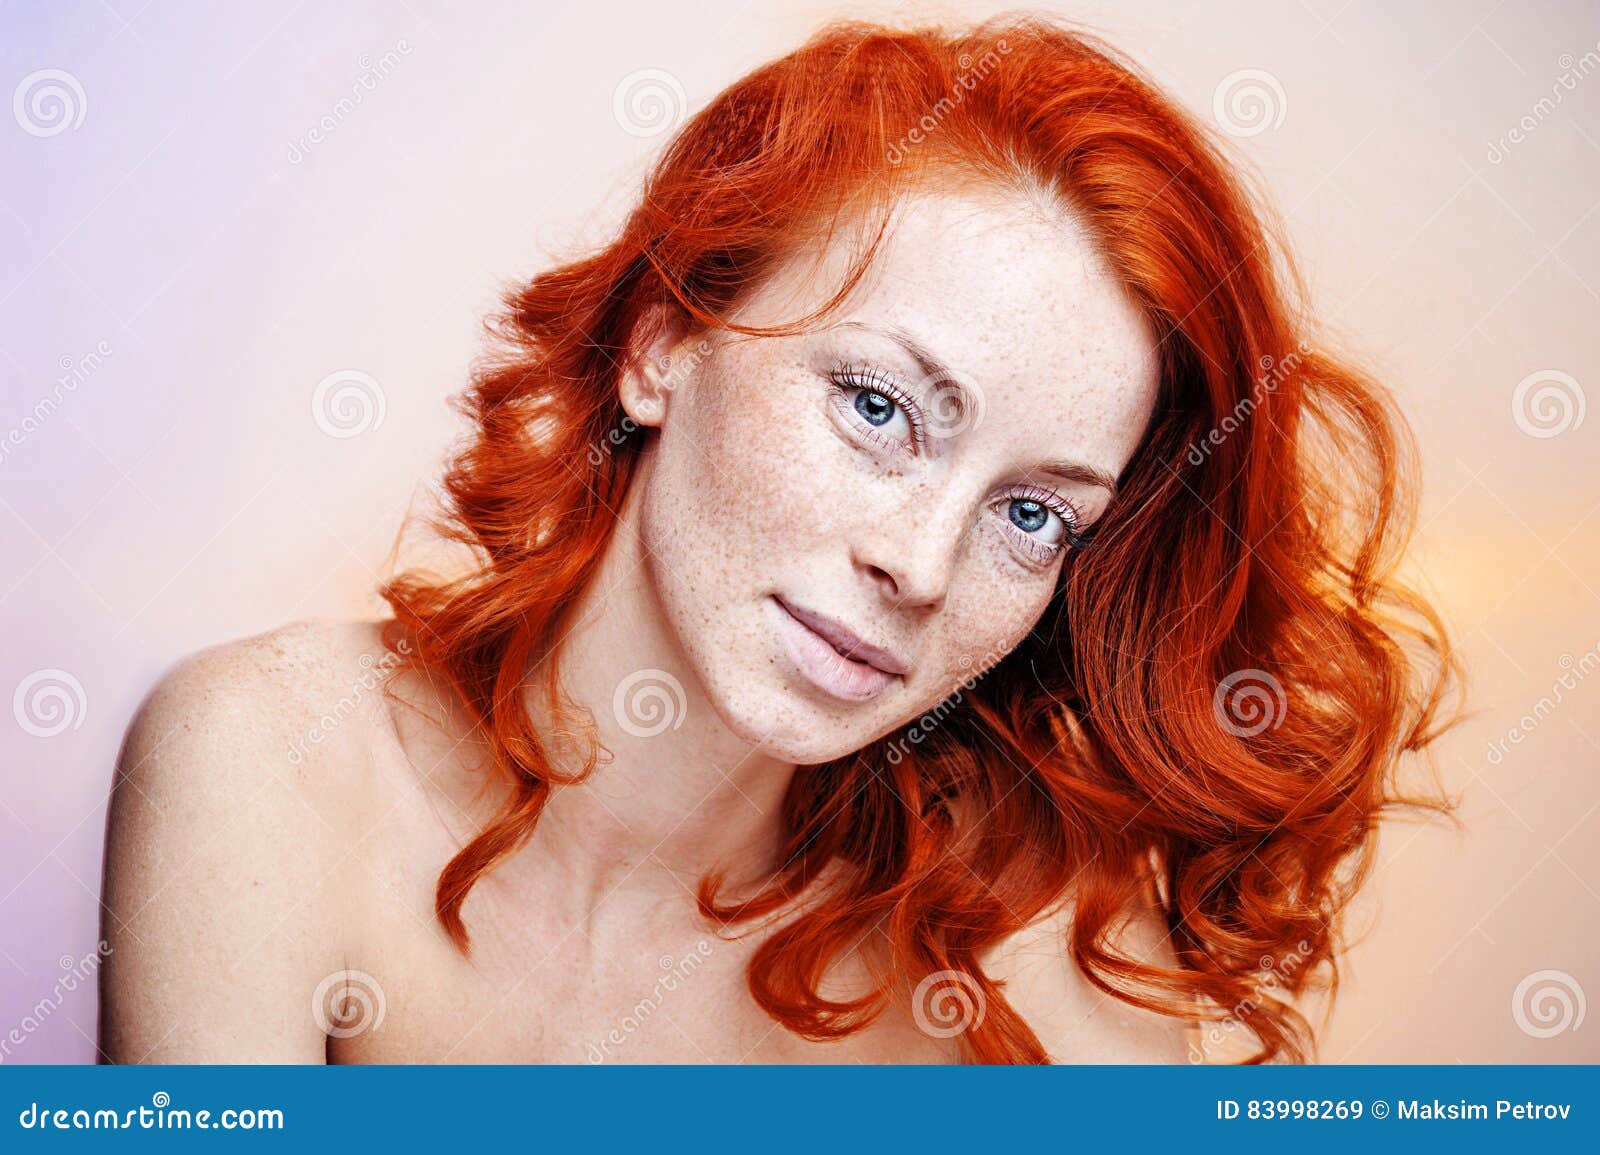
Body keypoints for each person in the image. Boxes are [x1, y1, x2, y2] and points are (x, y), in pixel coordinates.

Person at [99, 14, 1458, 1064]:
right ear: (662, 341)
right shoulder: (274, 759)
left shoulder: (1032, 954)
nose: (920, 568)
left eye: (1032, 514)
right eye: (878, 409)